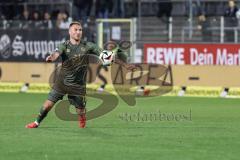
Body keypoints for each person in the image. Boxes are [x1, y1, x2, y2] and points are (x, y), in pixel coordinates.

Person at [25, 21, 134, 129]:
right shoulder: (64, 45)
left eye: (80, 30)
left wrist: (125, 65)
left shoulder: (88, 46)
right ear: (70, 32)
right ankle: (36, 123)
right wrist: (51, 58)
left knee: (80, 110)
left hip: (78, 85)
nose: (78, 32)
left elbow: (108, 56)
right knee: (48, 105)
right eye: (75, 30)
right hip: (62, 82)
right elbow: (56, 54)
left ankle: (82, 117)